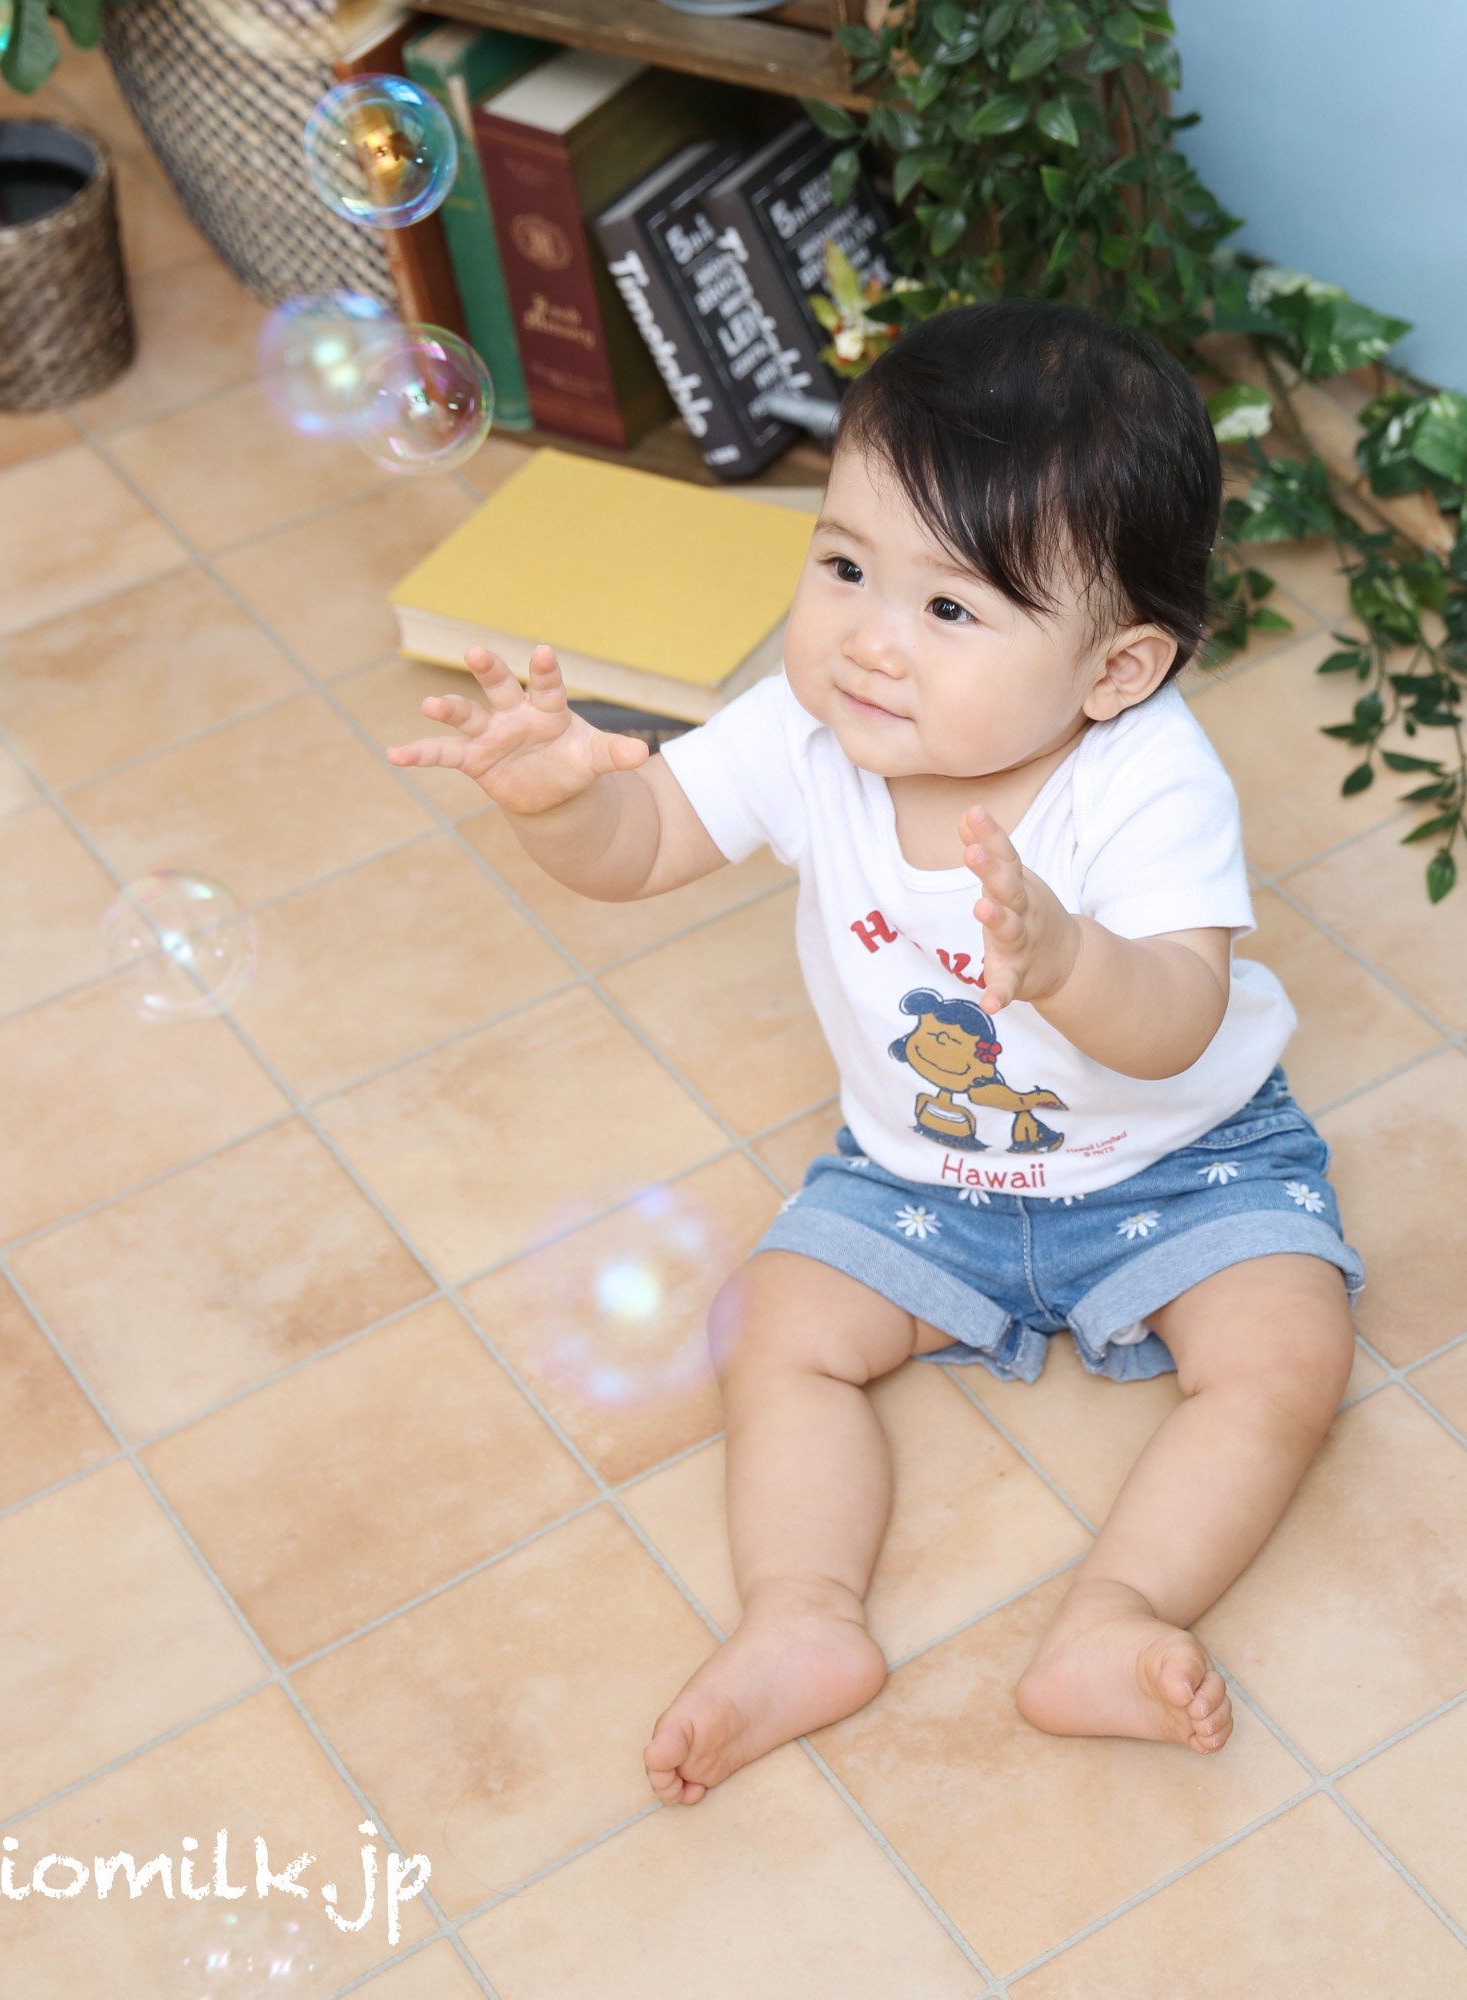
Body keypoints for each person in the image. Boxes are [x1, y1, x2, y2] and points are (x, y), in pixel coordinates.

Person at [384, 299, 1365, 1805]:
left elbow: (1177, 1022)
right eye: (844, 567)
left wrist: (1068, 961)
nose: (870, 641)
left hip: (1179, 1159)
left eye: (951, 610)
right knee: (771, 1325)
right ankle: (800, 1618)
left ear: (1115, 670)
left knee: (1288, 1350)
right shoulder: (806, 729)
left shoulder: (1149, 781)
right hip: (921, 1169)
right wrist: (563, 805)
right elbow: (648, 843)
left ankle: (1117, 1614)